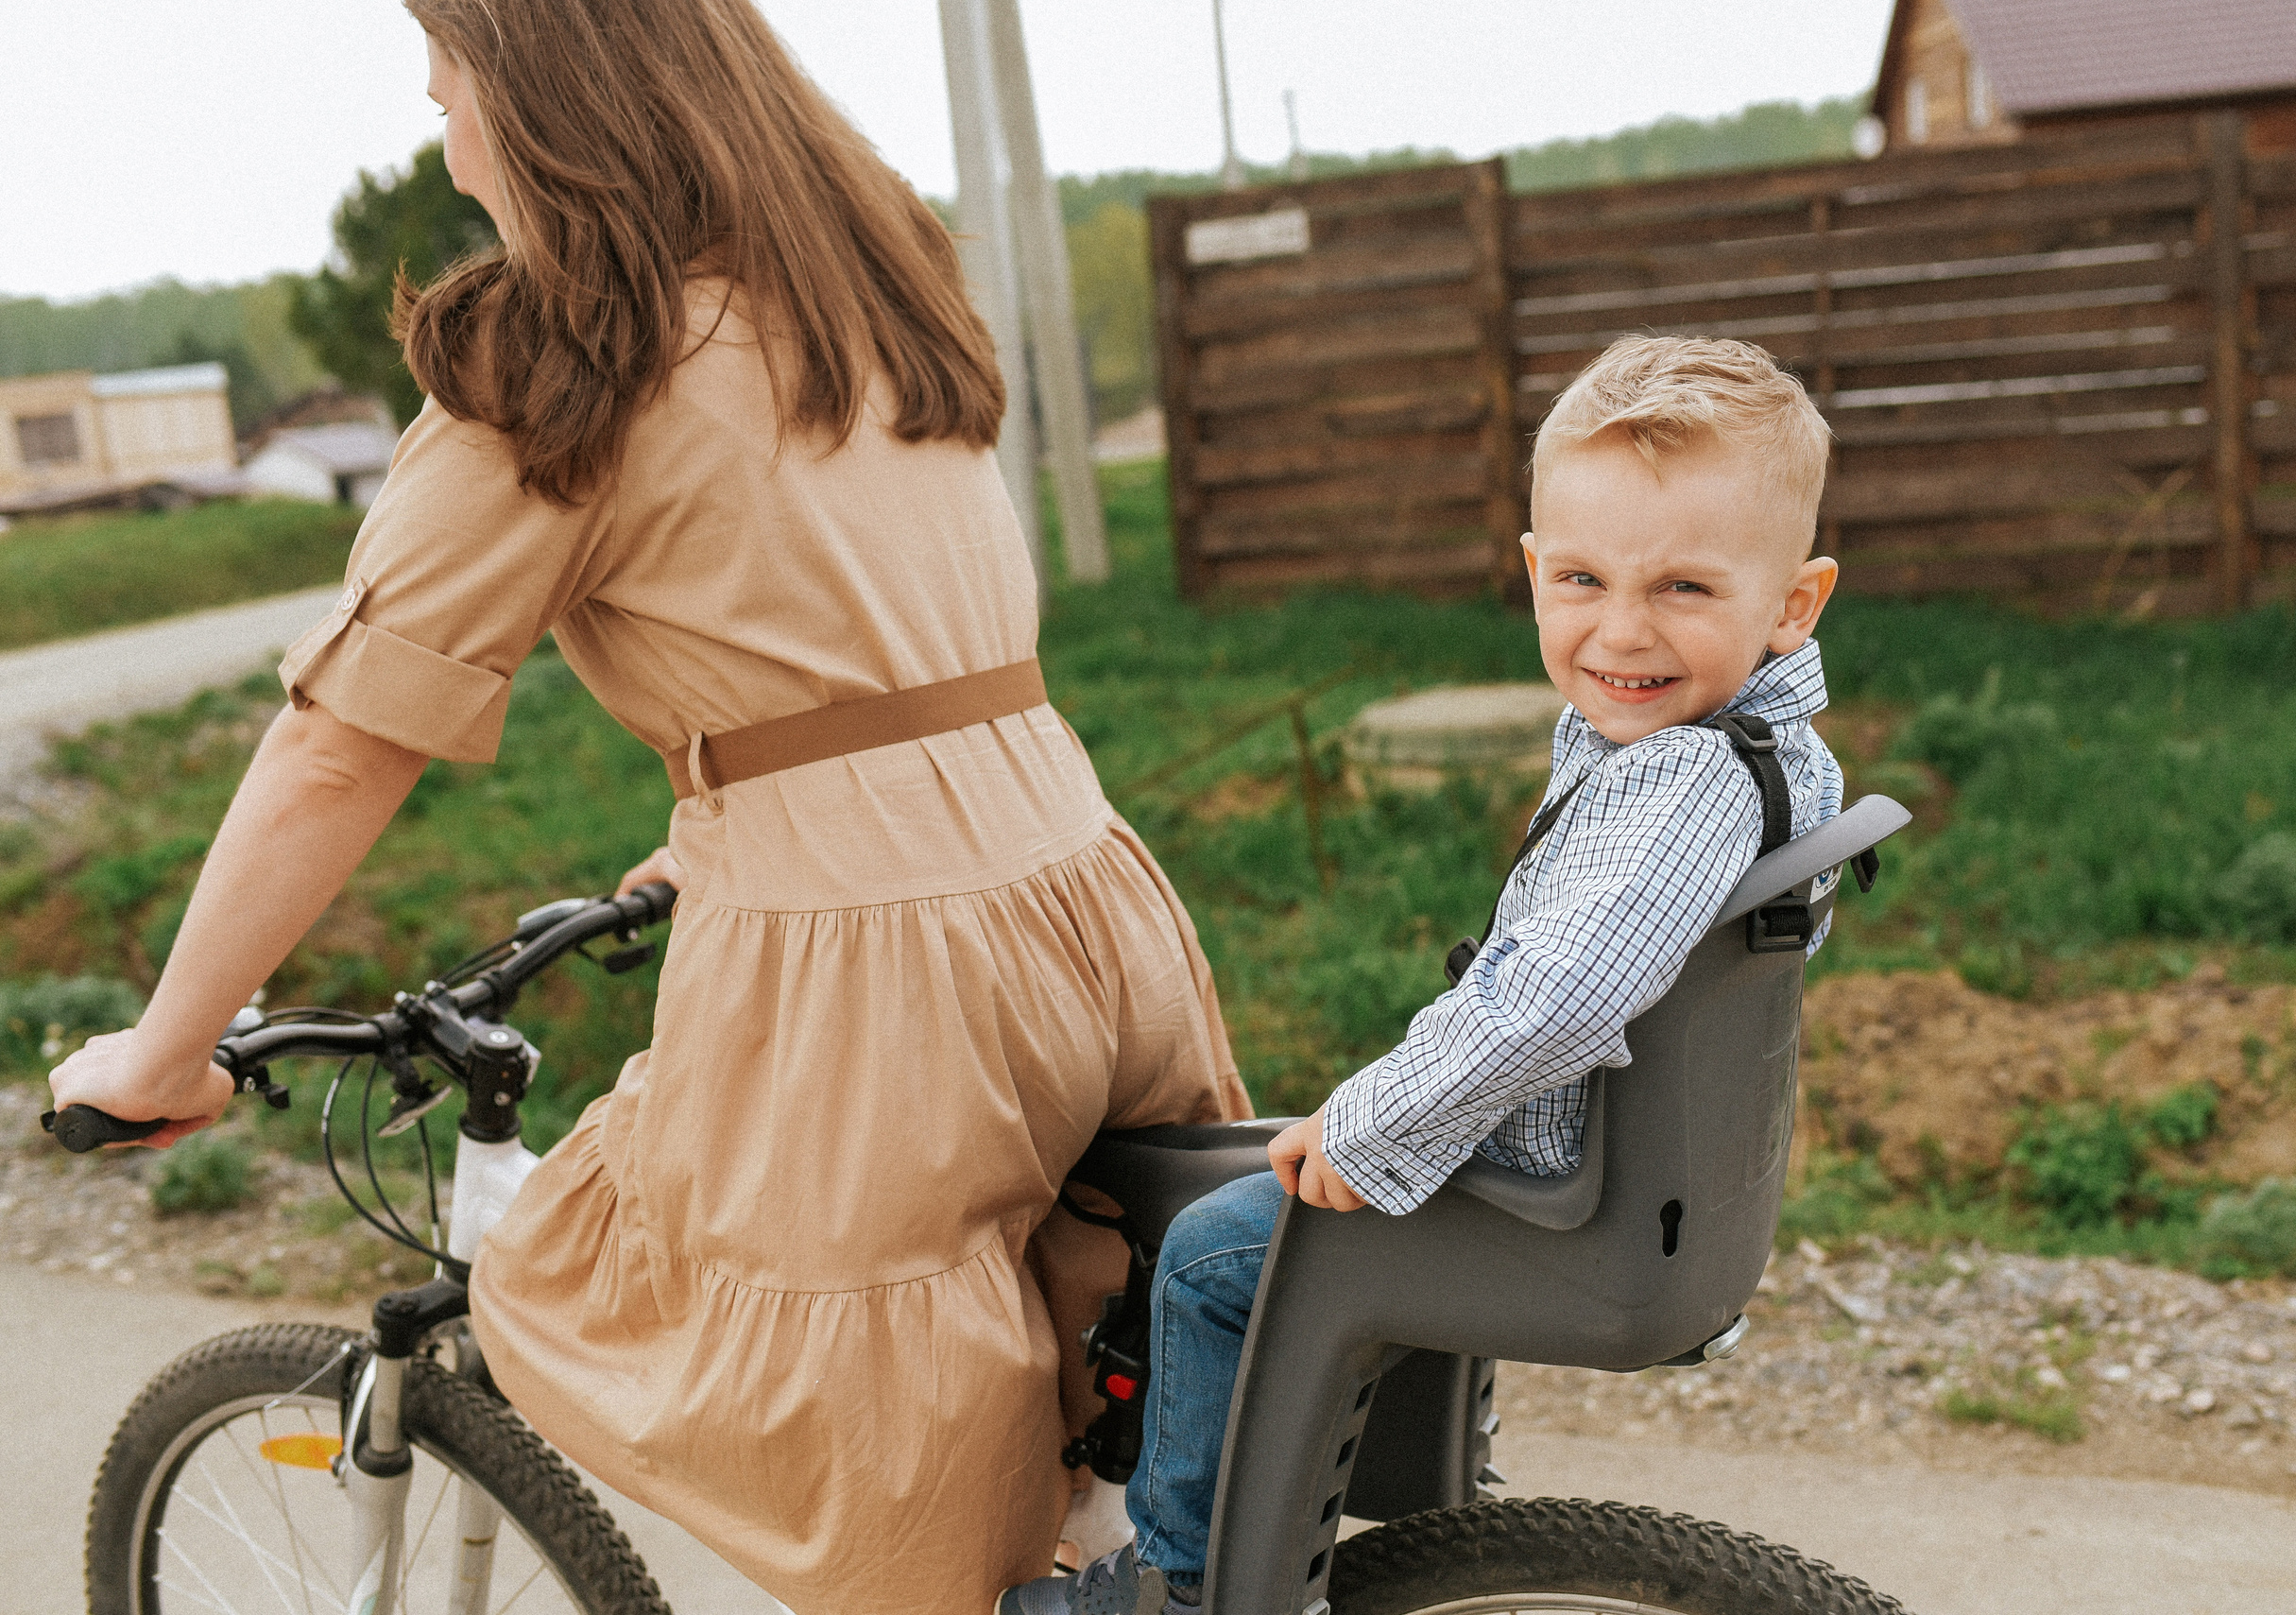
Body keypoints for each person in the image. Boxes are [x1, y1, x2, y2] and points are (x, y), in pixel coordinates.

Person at [45, 2, 1249, 1609]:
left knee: (655, 1325)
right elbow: (847, 650)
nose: (443, 132)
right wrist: (721, 825)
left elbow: (340, 747)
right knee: (1062, 1391)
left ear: (543, 99)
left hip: (888, 982)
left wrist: (167, 1045)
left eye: (449, 83)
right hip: (1085, 896)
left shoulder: (562, 357)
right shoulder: (867, 280)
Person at [998, 335, 1844, 1615]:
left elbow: (1555, 997)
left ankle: (1176, 1581)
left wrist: (1379, 1116)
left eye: (1682, 588)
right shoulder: (1771, 747)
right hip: (1631, 1176)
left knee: (1220, 1251)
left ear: (1793, 602)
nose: (1621, 628)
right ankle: (1406, 1521)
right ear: (1532, 571)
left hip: (1559, 1189)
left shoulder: (1681, 782)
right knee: (1245, 1163)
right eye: (1582, 577)